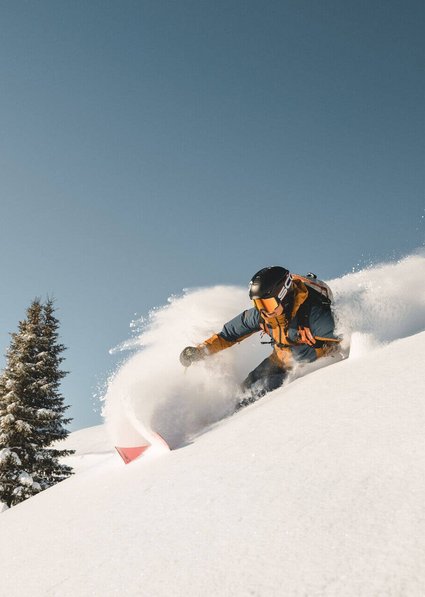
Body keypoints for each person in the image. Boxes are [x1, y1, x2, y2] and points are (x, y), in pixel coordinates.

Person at [179, 266, 341, 407]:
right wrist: (200, 352)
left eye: (267, 304)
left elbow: (349, 334)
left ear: (283, 296)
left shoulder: (316, 318)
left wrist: (335, 351)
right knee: (245, 389)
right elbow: (228, 335)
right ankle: (216, 422)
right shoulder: (262, 316)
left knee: (262, 390)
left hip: (305, 367)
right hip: (279, 359)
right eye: (258, 304)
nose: (263, 310)